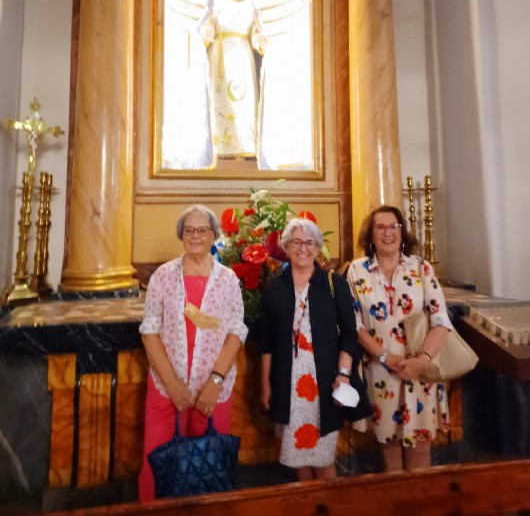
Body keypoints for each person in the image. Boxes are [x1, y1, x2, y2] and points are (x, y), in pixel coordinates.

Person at [138, 205, 248, 502]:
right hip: (166, 388)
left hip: (212, 392)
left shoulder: (227, 280)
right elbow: (149, 330)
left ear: (214, 235)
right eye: (189, 230)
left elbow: (236, 332)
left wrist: (214, 382)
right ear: (181, 235)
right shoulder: (163, 276)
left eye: (202, 230)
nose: (195, 235)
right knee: (157, 463)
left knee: (207, 466)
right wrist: (172, 384)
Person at [347, 205, 453, 471]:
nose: (387, 233)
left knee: (421, 446)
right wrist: (385, 356)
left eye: (393, 226)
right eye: (379, 227)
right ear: (370, 234)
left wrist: (423, 360)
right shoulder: (357, 271)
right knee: (389, 445)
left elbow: (440, 321)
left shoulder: (421, 268)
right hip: (382, 371)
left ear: (402, 232)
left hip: (420, 371)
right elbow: (354, 324)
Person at [259, 218, 365, 481]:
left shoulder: (334, 284)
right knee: (298, 460)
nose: (303, 248)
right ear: (286, 246)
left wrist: (343, 376)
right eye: (296, 242)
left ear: (318, 249)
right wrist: (265, 384)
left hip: (325, 383)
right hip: (287, 385)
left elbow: (350, 335)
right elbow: (267, 341)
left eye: (309, 243)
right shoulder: (274, 287)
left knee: (324, 459)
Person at [198, 0, 267, 161]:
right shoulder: (217, 4)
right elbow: (207, 25)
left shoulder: (249, 7)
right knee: (221, 99)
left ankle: (244, 149)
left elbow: (255, 32)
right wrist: (207, 32)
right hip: (221, 58)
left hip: (243, 59)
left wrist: (260, 41)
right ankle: (220, 152)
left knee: (243, 101)